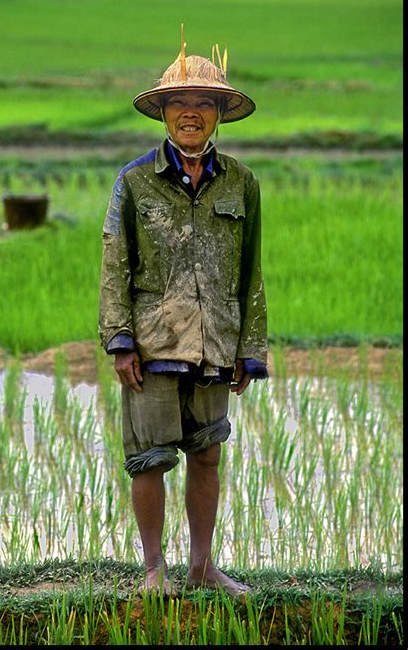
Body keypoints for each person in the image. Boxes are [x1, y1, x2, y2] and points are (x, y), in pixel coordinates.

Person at [99, 30, 268, 597]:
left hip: (216, 340)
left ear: (219, 113)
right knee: (148, 459)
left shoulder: (242, 183)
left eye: (203, 105)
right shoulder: (134, 181)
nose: (191, 114)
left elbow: (252, 270)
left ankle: (202, 567)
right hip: (152, 340)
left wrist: (252, 347)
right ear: (164, 114)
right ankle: (153, 571)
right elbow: (113, 263)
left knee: (209, 452)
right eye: (180, 104)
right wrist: (119, 339)